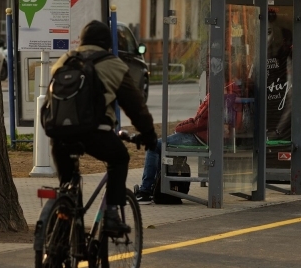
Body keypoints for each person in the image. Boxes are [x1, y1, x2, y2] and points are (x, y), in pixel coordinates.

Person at [49, 20, 157, 235]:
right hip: (94, 134)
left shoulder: (63, 61)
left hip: (59, 135)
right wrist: (149, 135)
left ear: (82, 41)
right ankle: (111, 215)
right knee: (119, 158)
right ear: (108, 44)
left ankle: (64, 229)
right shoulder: (114, 65)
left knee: (67, 187)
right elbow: (135, 107)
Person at [136, 95, 209, 203]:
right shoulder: (227, 94)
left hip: (200, 137)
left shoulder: (216, 95)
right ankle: (156, 188)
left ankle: (146, 191)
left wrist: (180, 127)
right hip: (204, 136)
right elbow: (198, 120)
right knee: (160, 145)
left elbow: (198, 123)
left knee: (154, 145)